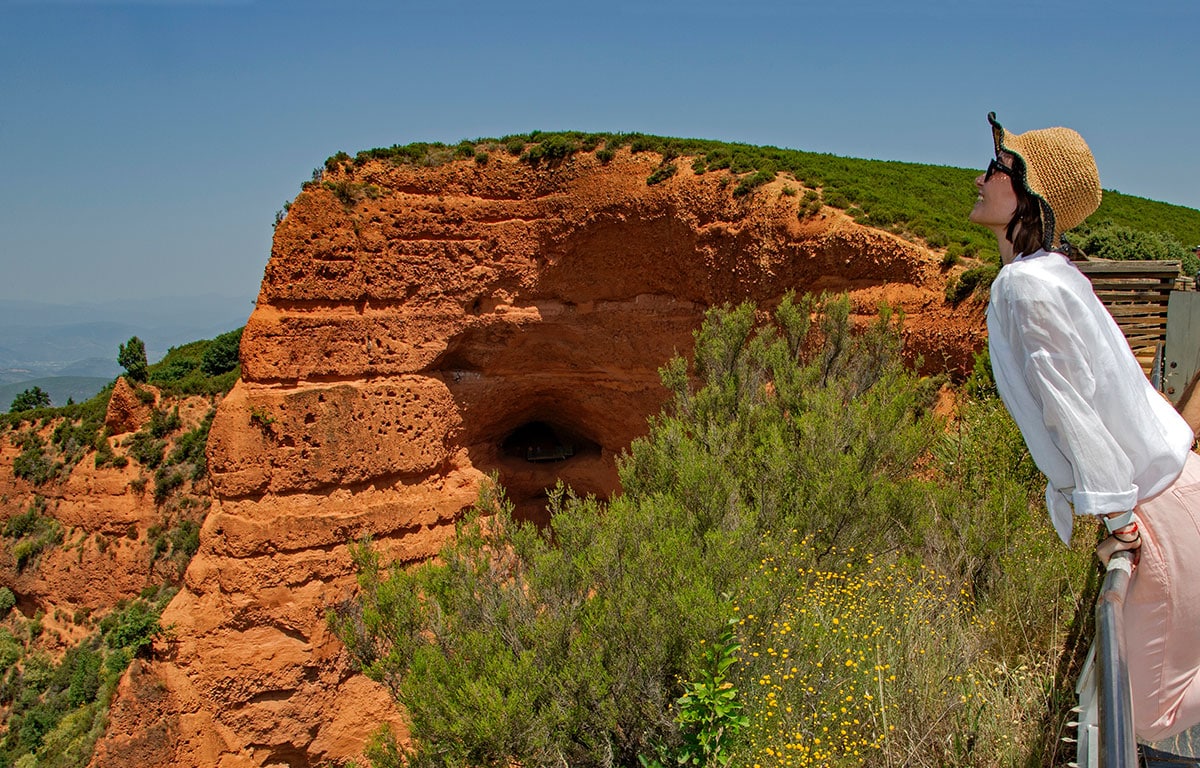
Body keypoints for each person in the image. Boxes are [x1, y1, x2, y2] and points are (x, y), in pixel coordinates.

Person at [974, 111, 1200, 742]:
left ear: (1028, 192)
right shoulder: (1053, 275)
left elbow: (1071, 406)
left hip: (1154, 508)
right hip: (1174, 488)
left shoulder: (1024, 287)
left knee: (1150, 715)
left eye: (996, 168)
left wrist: (1118, 521)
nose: (979, 177)